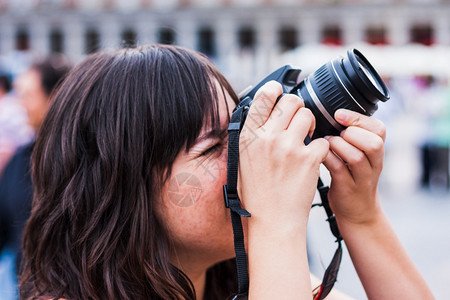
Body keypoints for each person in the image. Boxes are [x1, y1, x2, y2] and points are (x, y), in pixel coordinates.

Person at [20, 45, 433, 299]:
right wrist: (273, 225)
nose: (247, 156)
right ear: (122, 186)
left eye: (239, 129)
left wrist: (362, 218)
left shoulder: (238, 281)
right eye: (216, 146)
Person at [0, 55, 70, 299]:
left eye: (28, 96)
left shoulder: (81, 160)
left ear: (55, 95)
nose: (20, 104)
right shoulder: (20, 158)